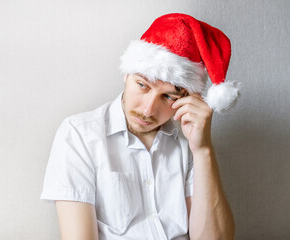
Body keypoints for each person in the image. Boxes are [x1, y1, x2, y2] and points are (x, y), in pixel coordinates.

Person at [40, 13, 240, 240]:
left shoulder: (187, 147)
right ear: (127, 74)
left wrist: (203, 149)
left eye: (168, 97)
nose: (148, 110)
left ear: (187, 98)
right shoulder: (79, 135)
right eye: (143, 85)